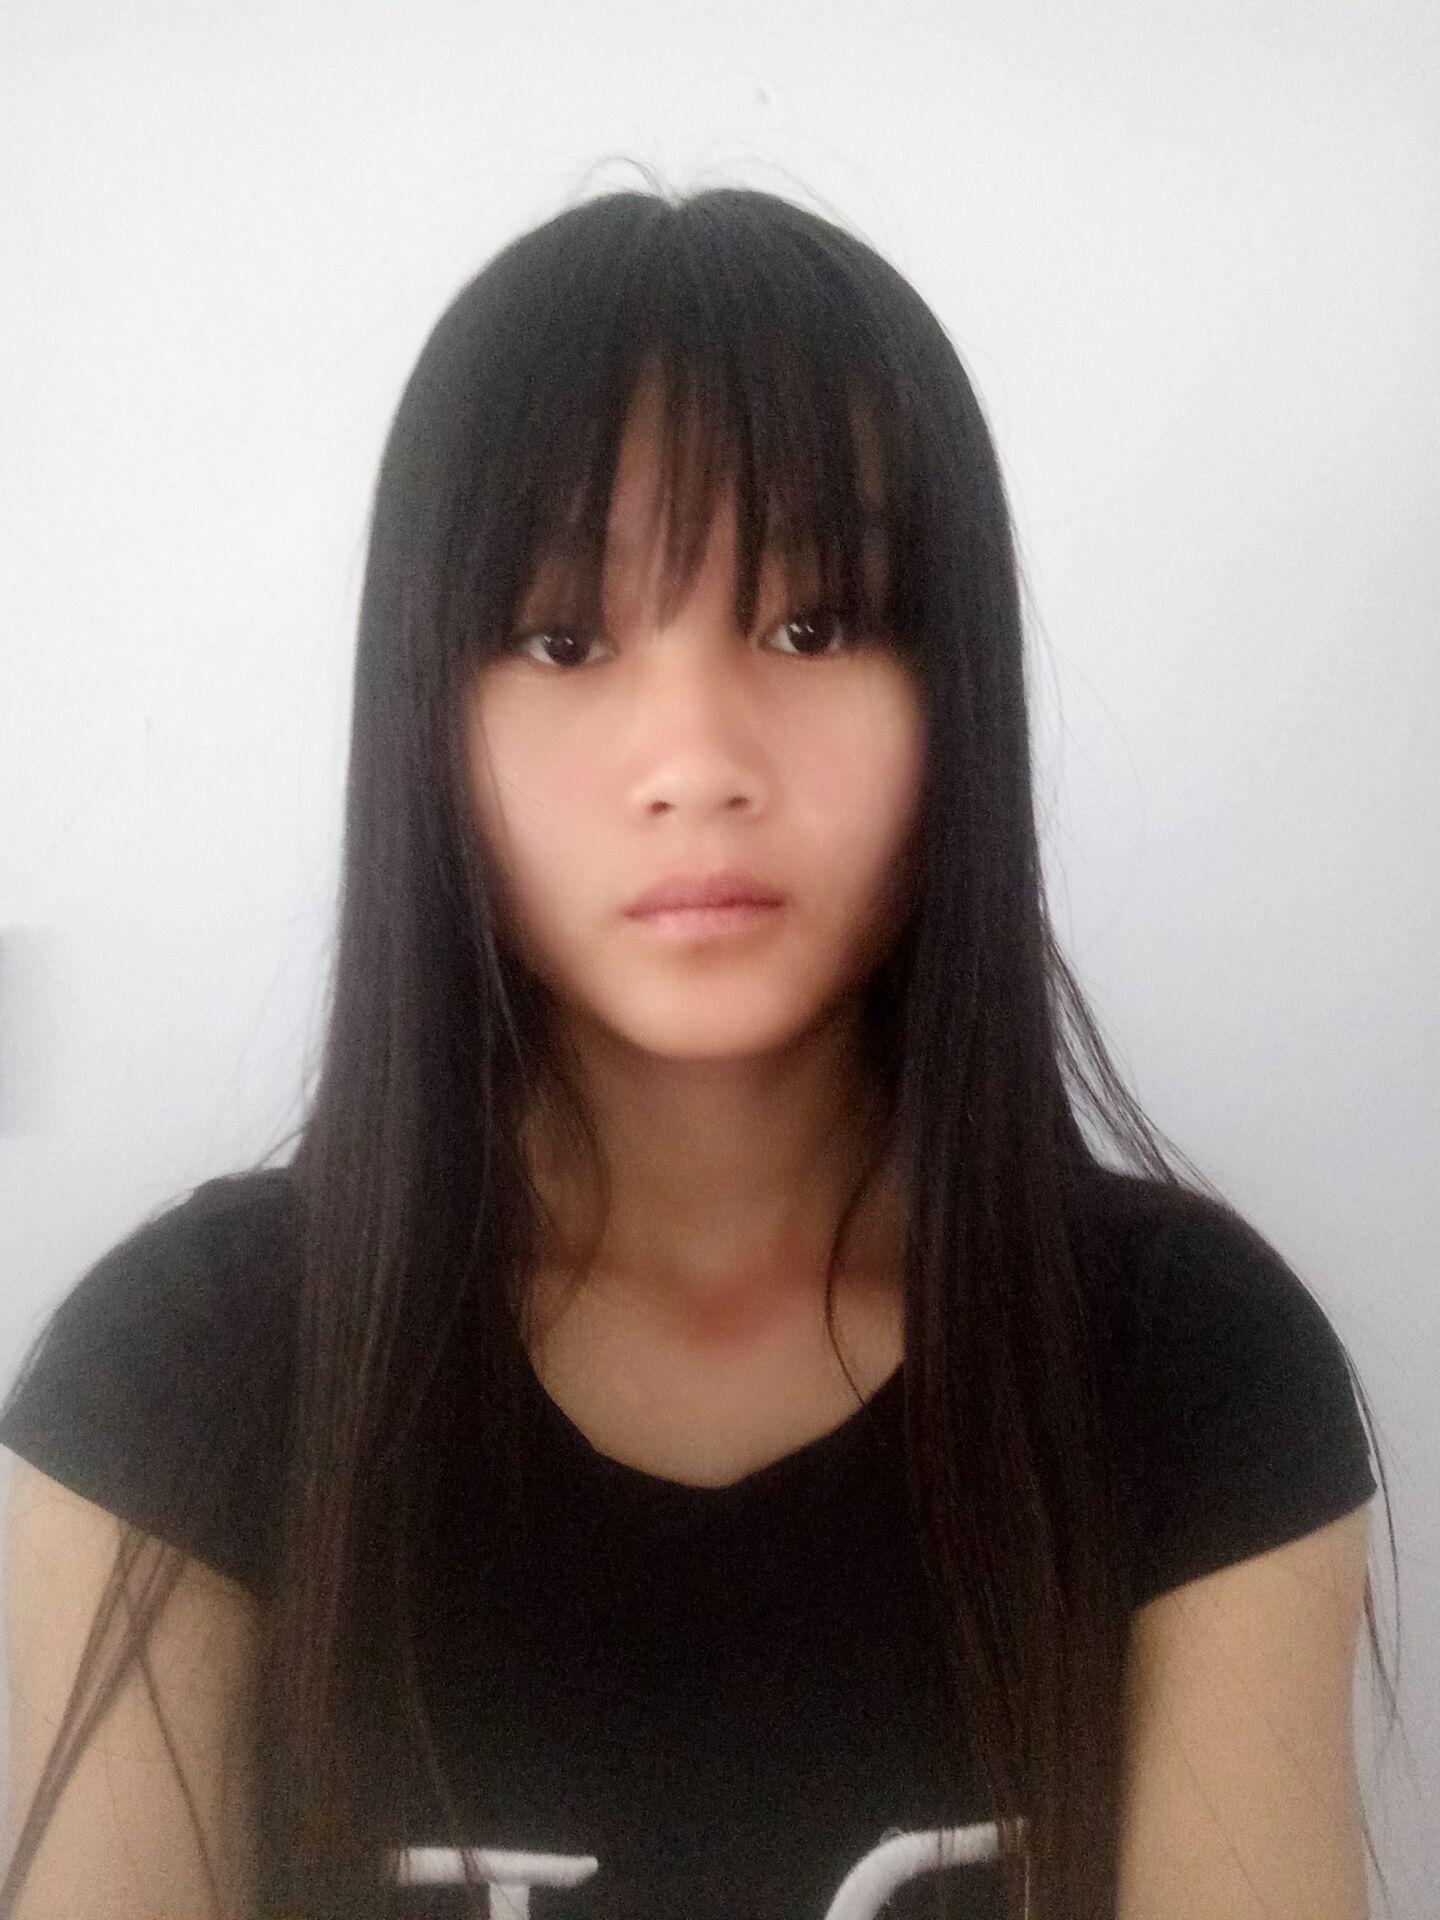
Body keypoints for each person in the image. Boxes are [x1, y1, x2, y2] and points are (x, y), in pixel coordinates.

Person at [0, 170, 1399, 1920]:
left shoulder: (1187, 1373)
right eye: (562, 636)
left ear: (955, 687)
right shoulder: (185, 1382)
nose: (698, 761)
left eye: (817, 624)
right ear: (427, 716)